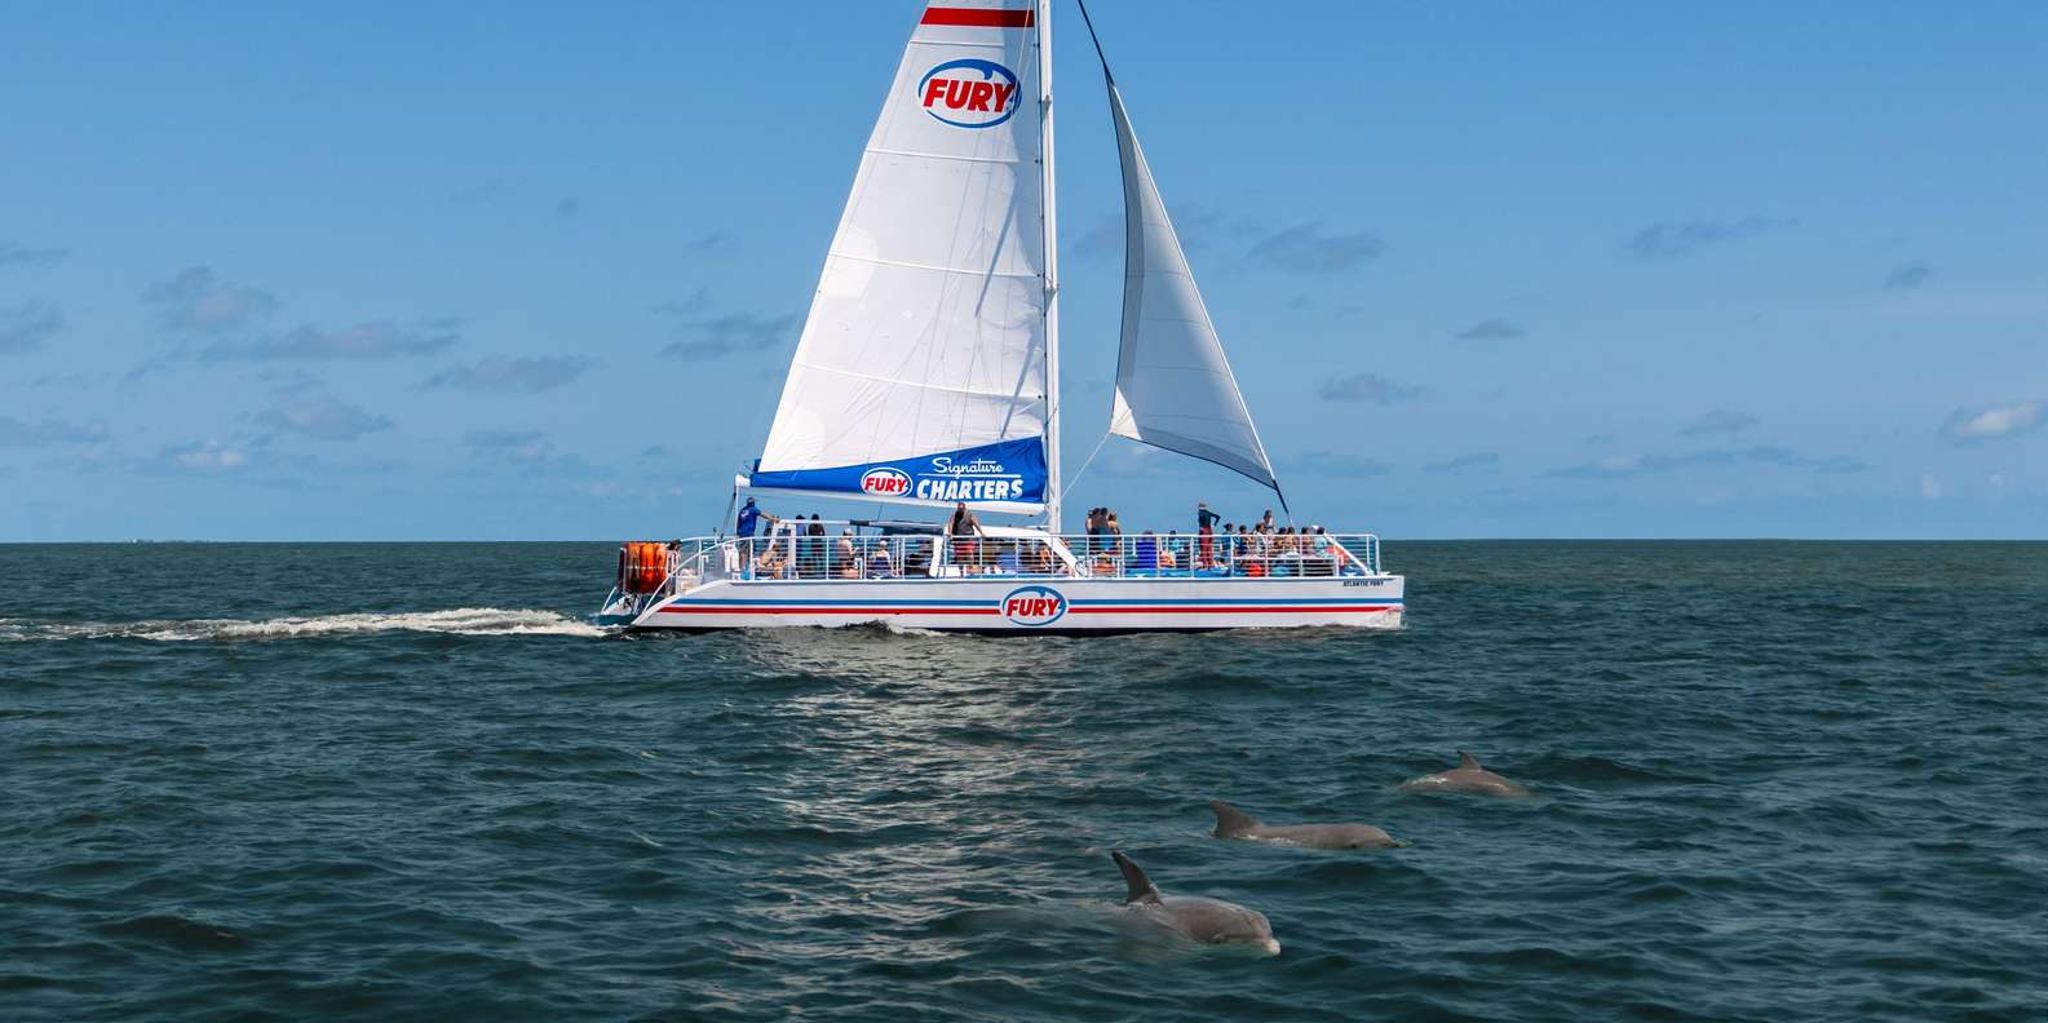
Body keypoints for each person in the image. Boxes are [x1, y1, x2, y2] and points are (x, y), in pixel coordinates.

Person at [946, 501, 983, 574]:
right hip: (958, 539)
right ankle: (961, 572)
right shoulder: (954, 515)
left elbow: (976, 523)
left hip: (968, 538)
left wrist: (981, 532)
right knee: (959, 557)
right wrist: (950, 533)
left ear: (964, 508)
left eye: (961, 509)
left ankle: (970, 567)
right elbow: (951, 523)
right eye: (959, 509)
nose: (960, 510)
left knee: (969, 552)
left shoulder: (970, 514)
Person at [1197, 501, 1220, 568]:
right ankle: (1210, 563)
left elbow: (1201, 519)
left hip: (1204, 530)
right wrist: (1214, 525)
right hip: (1210, 530)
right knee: (1209, 548)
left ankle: (1205, 564)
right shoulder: (1208, 512)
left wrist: (1201, 526)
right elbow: (1218, 517)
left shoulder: (1200, 512)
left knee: (1203, 548)